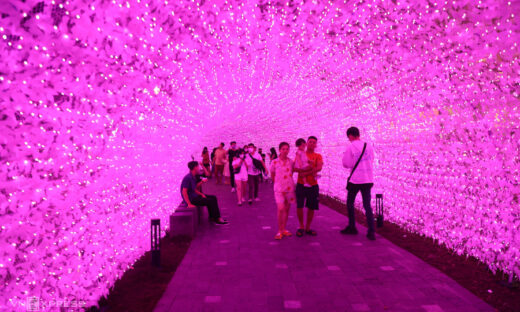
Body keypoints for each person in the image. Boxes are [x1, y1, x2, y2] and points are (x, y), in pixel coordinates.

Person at [341, 127, 376, 240]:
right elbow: (372, 160)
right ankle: (371, 231)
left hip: (355, 180)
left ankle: (352, 227)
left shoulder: (351, 146)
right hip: (367, 179)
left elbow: (347, 163)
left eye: (348, 137)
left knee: (350, 203)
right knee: (367, 206)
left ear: (350, 135)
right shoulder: (369, 146)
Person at [295, 136, 323, 237]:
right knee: (300, 206)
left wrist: (306, 173)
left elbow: (319, 168)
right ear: (306, 143)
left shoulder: (318, 156)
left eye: (314, 142)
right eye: (310, 142)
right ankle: (301, 226)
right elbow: (297, 167)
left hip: (313, 186)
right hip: (301, 184)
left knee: (311, 207)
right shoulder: (301, 153)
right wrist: (309, 170)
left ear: (316, 145)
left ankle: (308, 227)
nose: (312, 144)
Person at [270, 142, 296, 240]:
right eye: (283, 149)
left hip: (289, 188)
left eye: (287, 149)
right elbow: (272, 174)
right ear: (280, 150)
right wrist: (277, 183)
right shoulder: (274, 162)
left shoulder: (291, 162)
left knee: (287, 209)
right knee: (280, 208)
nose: (285, 151)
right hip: (279, 189)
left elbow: (292, 172)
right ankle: (279, 230)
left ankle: (284, 229)